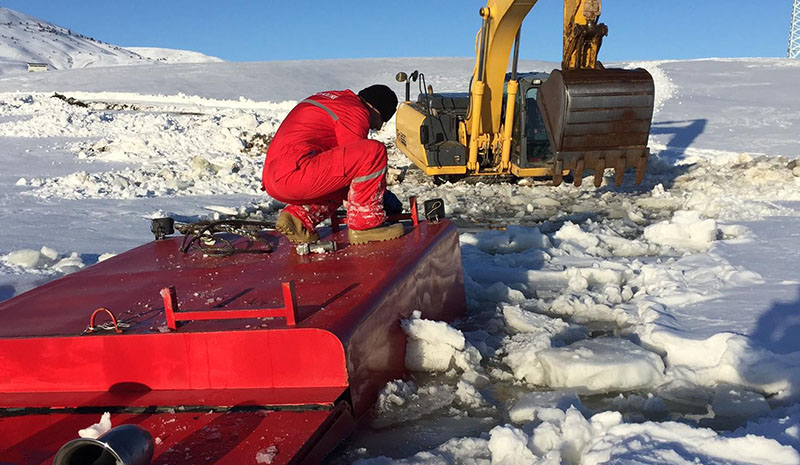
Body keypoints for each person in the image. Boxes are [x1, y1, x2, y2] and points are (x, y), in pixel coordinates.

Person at [262, 84, 403, 245]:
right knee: (374, 151)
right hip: (296, 173)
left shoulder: (335, 101)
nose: (378, 127)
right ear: (375, 108)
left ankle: (298, 217)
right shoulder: (355, 110)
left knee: (341, 176)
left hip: (277, 177)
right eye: (382, 120)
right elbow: (361, 165)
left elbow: (344, 170)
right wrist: (381, 196)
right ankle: (365, 225)